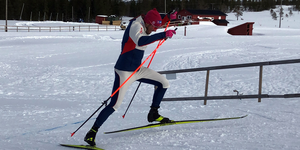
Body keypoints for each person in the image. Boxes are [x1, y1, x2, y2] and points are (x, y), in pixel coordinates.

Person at [84, 8, 177, 146]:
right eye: (154, 27)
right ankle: (92, 132)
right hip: (124, 71)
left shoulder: (147, 24)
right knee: (114, 105)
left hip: (137, 70)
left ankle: (153, 113)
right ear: (148, 23)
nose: (155, 29)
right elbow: (140, 41)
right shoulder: (135, 26)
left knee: (164, 83)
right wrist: (163, 34)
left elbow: (154, 25)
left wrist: (167, 18)